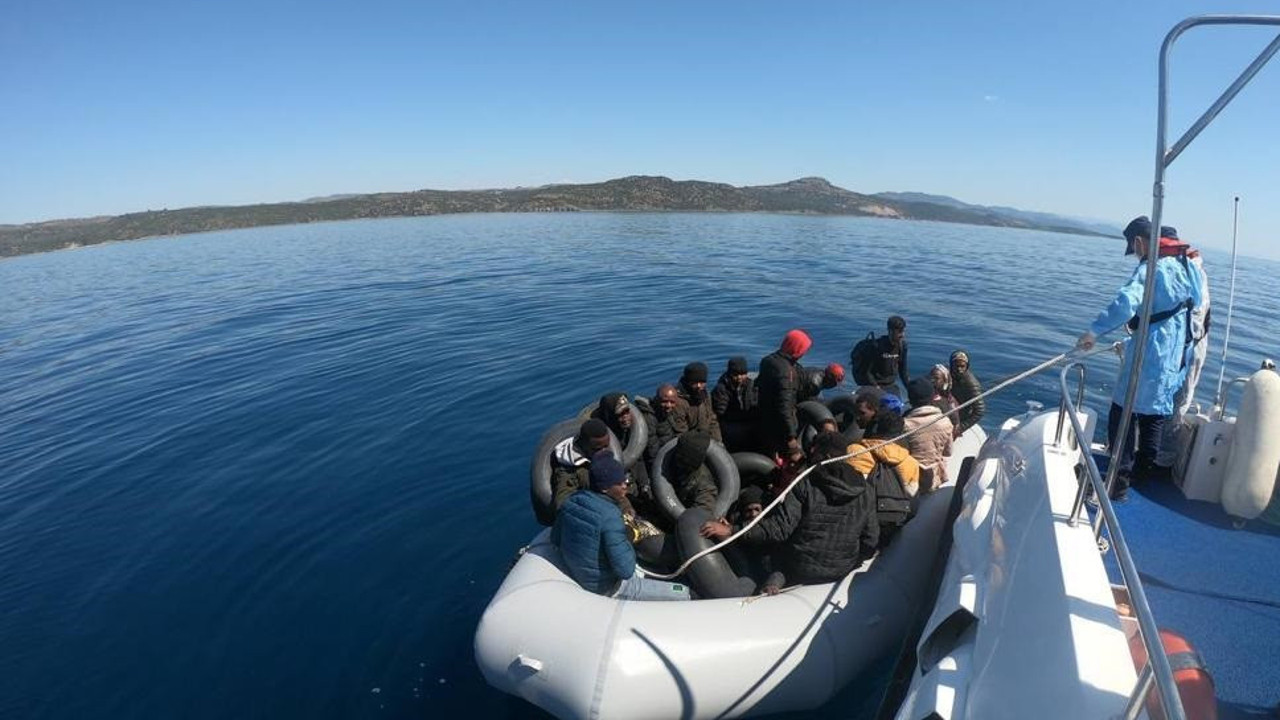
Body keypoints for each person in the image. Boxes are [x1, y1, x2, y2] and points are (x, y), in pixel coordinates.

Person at [1077, 216, 1204, 502]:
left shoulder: (1150, 268)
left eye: (1134, 249)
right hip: (1175, 353)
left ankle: (1117, 485)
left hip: (1149, 352)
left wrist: (1094, 332)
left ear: (1139, 242)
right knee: (1153, 415)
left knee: (1121, 414)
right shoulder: (1187, 266)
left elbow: (1126, 303)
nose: (1135, 254)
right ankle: (1143, 476)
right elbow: (1196, 303)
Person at [700, 430, 879, 594]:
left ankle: (770, 585)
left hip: (801, 567)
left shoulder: (807, 484)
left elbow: (779, 529)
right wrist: (847, 560)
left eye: (815, 452)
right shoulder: (865, 490)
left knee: (770, 557)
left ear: (827, 457)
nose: (811, 456)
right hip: (841, 569)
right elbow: (870, 538)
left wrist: (732, 530)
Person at [553, 454, 690, 601]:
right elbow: (626, 571)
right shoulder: (611, 517)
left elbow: (555, 539)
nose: (625, 485)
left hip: (579, 574)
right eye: (619, 483)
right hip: (605, 586)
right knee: (682, 592)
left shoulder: (571, 501)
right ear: (605, 489)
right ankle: (688, 593)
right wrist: (628, 538)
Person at [1154, 226, 1212, 478]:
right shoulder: (1183, 269)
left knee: (1175, 404)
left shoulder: (1191, 272)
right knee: (1163, 401)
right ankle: (1152, 453)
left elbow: (1192, 320)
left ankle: (1162, 463)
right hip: (1178, 348)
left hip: (1187, 350)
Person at [757, 329, 813, 463]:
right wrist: (791, 436)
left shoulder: (768, 360)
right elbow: (785, 406)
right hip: (779, 427)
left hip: (764, 417)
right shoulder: (787, 373)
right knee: (793, 459)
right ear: (797, 349)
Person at [551, 419, 614, 511]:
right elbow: (563, 504)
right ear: (584, 445)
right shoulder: (568, 470)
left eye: (606, 447)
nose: (604, 452)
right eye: (598, 449)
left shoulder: (603, 455)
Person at [904, 377, 954, 491]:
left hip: (911, 478)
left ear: (910, 399)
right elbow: (948, 452)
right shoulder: (945, 422)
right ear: (932, 397)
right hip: (934, 477)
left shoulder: (905, 425)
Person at [638, 383, 689, 471]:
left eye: (672, 402)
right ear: (657, 400)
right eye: (664, 401)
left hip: (670, 451)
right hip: (659, 461)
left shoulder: (668, 412)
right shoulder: (650, 418)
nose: (668, 405)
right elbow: (652, 450)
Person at [711, 356, 758, 451]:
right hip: (731, 422)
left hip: (748, 417)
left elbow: (755, 401)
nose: (739, 377)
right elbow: (721, 412)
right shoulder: (721, 389)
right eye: (736, 374)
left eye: (742, 374)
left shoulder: (751, 385)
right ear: (730, 373)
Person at [669, 431, 719, 514]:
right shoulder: (674, 462)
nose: (677, 457)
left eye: (681, 457)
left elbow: (701, 515)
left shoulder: (705, 487)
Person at [676, 362, 722, 442]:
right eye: (695, 382)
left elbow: (712, 420)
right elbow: (681, 432)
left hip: (706, 436)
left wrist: (718, 441)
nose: (699, 386)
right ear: (687, 381)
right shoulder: (679, 401)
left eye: (702, 382)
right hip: (690, 441)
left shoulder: (705, 395)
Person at [864, 316, 910, 396]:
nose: (902, 335)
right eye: (899, 332)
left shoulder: (902, 346)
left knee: (896, 403)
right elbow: (867, 372)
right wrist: (876, 388)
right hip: (875, 385)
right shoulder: (877, 346)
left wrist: (910, 389)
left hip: (891, 384)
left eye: (903, 331)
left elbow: (903, 371)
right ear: (890, 331)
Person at [949, 350, 985, 439]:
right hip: (948, 410)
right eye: (956, 366)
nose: (959, 369)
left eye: (962, 366)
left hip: (959, 417)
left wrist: (960, 428)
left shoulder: (971, 384)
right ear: (951, 365)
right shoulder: (948, 375)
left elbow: (980, 411)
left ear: (967, 367)